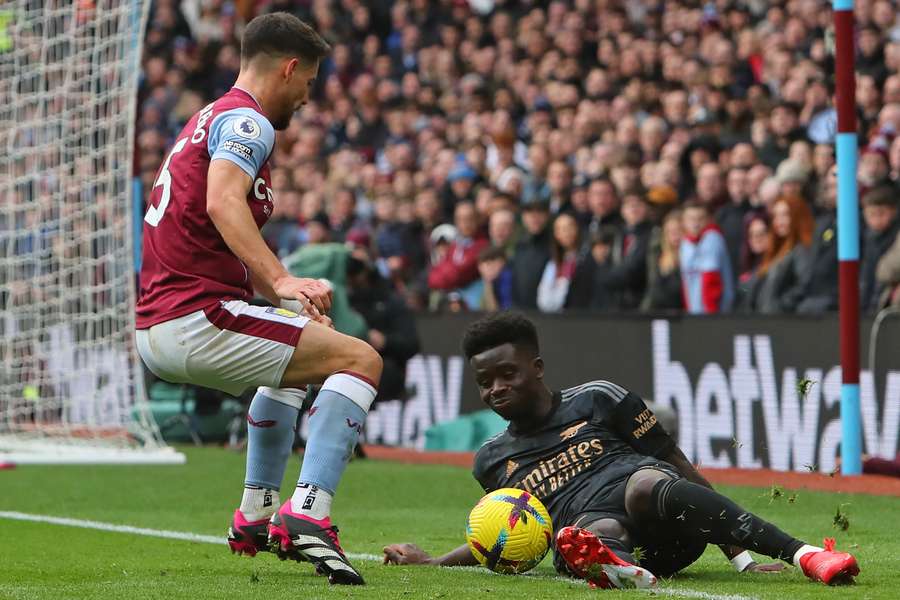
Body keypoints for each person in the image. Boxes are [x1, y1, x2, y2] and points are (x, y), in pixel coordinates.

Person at [134, 13, 381, 585]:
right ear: (290, 68)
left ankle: (256, 512)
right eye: (310, 83)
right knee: (361, 359)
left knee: (294, 371)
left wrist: (278, 295)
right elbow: (224, 203)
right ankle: (309, 512)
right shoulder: (249, 121)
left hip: (163, 323)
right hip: (196, 314)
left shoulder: (208, 116)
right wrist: (281, 282)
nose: (306, 99)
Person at [381, 313, 860, 589]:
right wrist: (433, 564)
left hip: (662, 516)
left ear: (538, 367)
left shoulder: (598, 397)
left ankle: (805, 555)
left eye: (508, 374)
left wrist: (739, 556)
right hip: (587, 528)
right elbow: (506, 533)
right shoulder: (490, 460)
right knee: (590, 531)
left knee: (649, 483)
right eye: (485, 382)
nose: (496, 389)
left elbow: (676, 462)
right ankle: (615, 567)